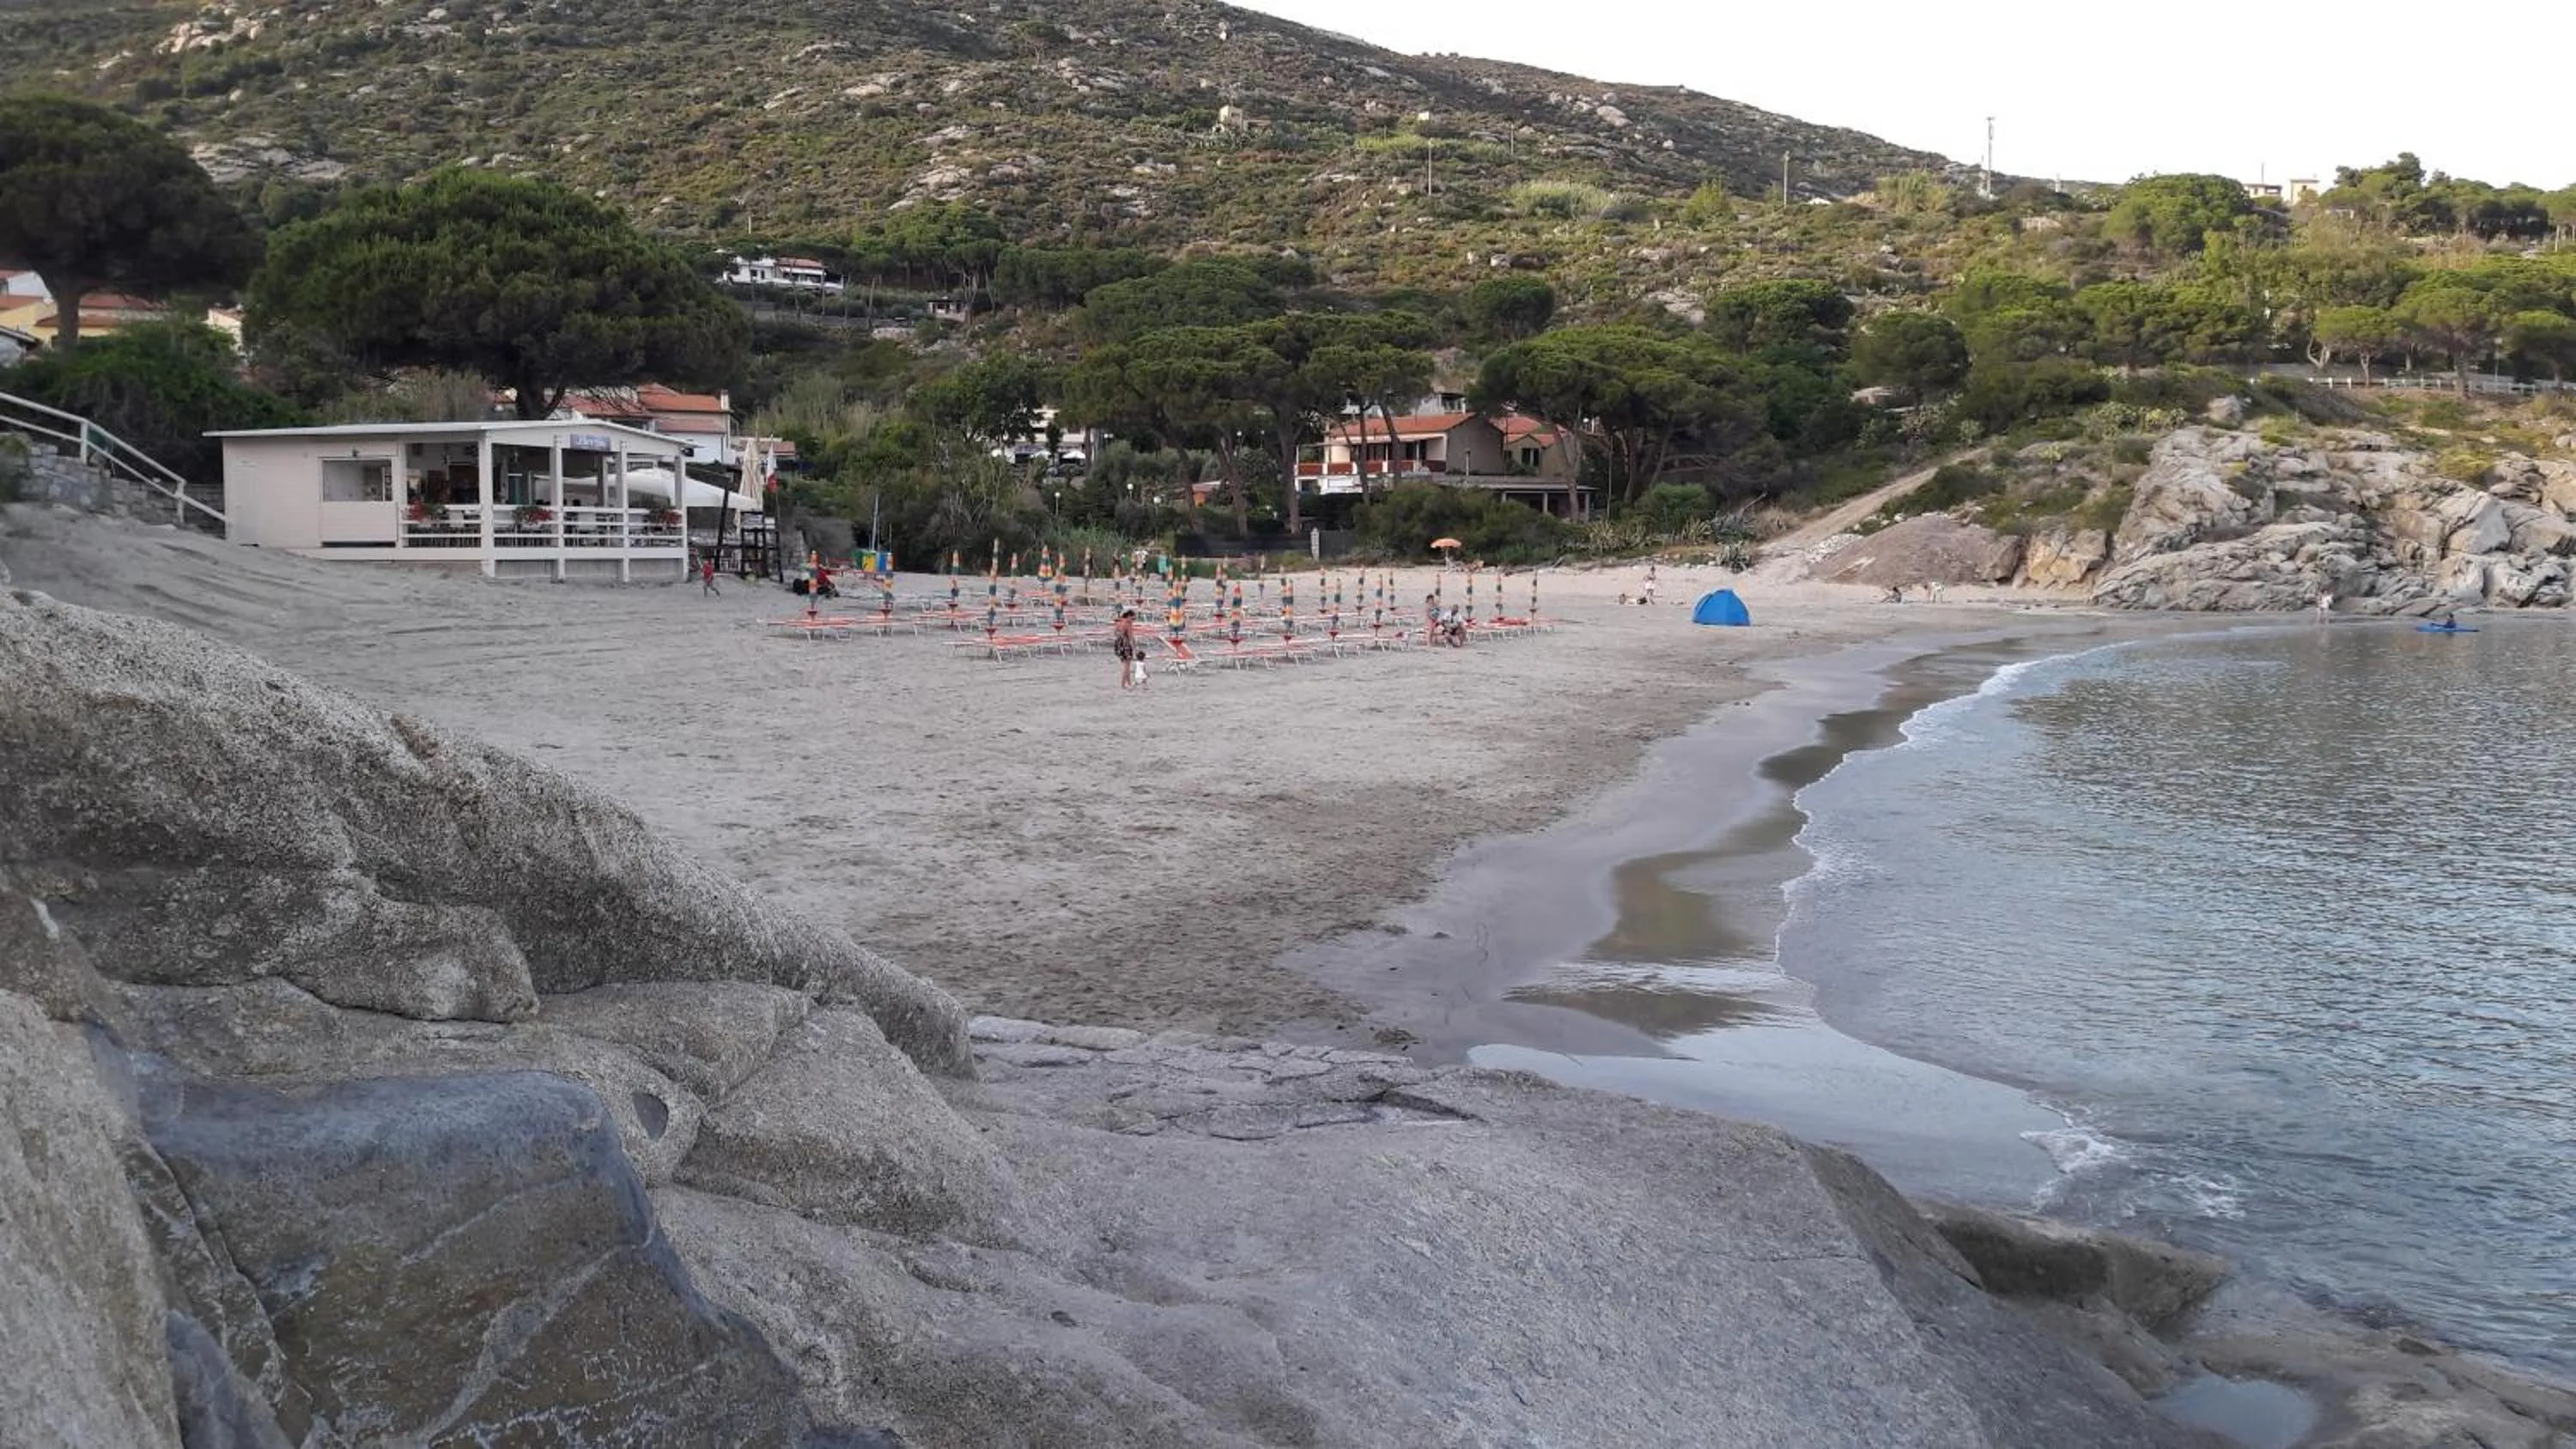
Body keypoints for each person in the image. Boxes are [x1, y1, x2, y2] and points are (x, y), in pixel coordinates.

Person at [1113, 608, 1141, 689]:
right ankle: (1123, 684)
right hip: (1126, 644)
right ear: (1129, 616)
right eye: (1133, 618)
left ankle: (1128, 683)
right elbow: (1131, 637)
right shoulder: (1128, 624)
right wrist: (1135, 648)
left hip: (1118, 644)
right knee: (1126, 666)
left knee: (1125, 664)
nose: (1133, 620)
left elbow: (1115, 633)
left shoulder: (1119, 622)